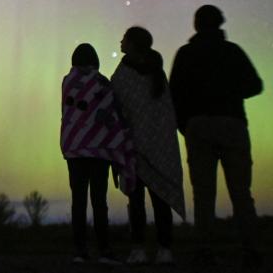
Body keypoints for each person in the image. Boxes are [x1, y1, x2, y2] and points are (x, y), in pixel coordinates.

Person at [169, 5, 263, 268]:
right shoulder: (232, 52)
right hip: (232, 124)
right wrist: (229, 90)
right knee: (241, 193)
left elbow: (173, 94)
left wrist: (185, 125)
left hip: (198, 127)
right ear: (220, 24)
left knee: (203, 194)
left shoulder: (186, 54)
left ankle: (204, 251)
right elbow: (255, 86)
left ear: (197, 25)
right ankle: (251, 250)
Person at [111, 26, 186, 266]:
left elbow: (161, 111)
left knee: (150, 200)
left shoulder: (144, 73)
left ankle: (155, 249)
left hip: (143, 147)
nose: (121, 42)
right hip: (145, 147)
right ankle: (149, 249)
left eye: (124, 39)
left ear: (133, 44)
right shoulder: (136, 73)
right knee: (144, 201)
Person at [60, 43, 136, 265]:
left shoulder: (68, 82)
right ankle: (104, 250)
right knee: (99, 201)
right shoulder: (102, 83)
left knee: (78, 201)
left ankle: (80, 251)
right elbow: (112, 115)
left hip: (74, 149)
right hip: (100, 150)